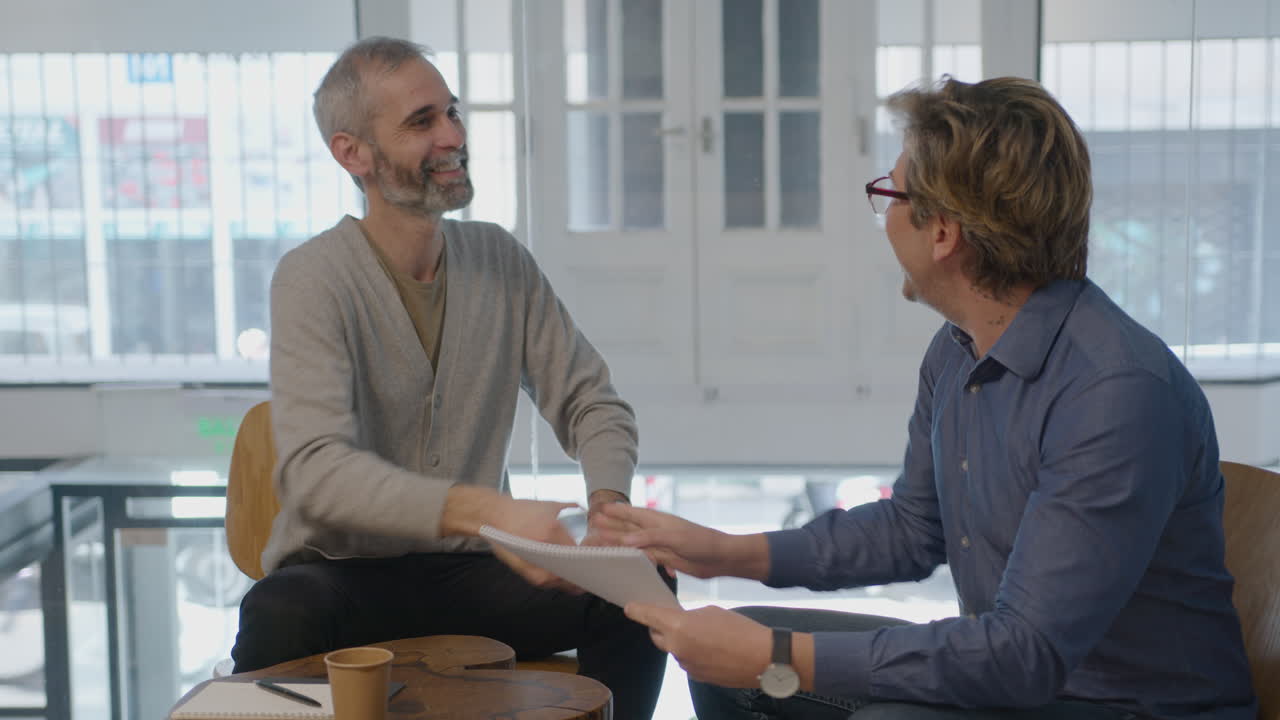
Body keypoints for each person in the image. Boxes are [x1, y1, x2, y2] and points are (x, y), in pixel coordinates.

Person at [594, 76, 1257, 720]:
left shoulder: (1115, 393)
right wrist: (722, 551)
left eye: (890, 194)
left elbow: (1023, 654)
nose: (884, 217)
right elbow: (912, 530)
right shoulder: (957, 348)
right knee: (734, 672)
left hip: (1129, 705)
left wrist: (778, 654)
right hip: (1026, 682)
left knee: (813, 683)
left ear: (942, 232)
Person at [230, 36, 668, 720]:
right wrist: (492, 511)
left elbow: (591, 400)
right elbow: (315, 473)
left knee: (642, 588)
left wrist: (606, 511)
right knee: (280, 609)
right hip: (341, 578)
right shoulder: (313, 278)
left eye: (452, 113)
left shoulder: (498, 259)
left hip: (469, 573)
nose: (453, 136)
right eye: (421, 122)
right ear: (354, 154)